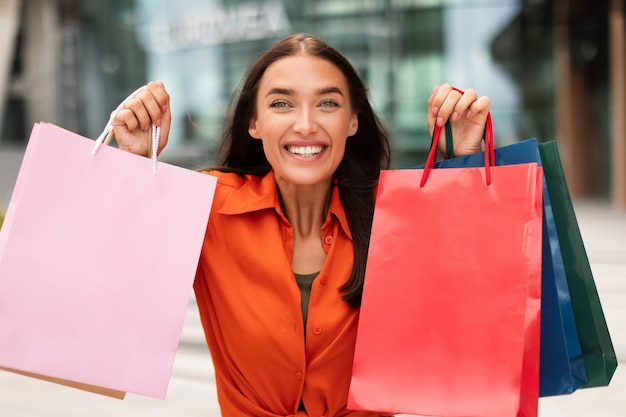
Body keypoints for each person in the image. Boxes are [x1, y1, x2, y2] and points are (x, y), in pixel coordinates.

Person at [111, 33, 490, 417]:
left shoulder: (396, 215)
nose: (306, 124)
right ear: (254, 123)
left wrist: (463, 164)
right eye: (281, 104)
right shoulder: (208, 207)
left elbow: (478, 314)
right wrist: (133, 166)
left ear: (353, 121)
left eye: (327, 103)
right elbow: (118, 298)